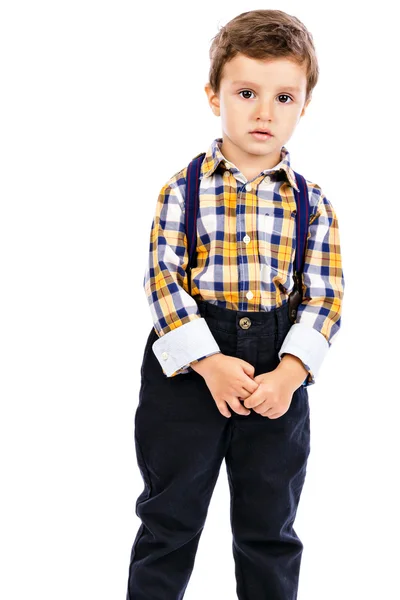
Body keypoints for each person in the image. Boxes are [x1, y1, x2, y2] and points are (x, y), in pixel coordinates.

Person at [126, 8, 344, 600]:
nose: (263, 112)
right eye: (246, 92)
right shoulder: (182, 189)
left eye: (284, 97)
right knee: (169, 520)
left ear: (305, 105)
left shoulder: (313, 203)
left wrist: (291, 374)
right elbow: (161, 279)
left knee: (269, 526)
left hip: (276, 374)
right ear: (213, 94)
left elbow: (324, 297)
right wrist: (208, 362)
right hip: (188, 372)